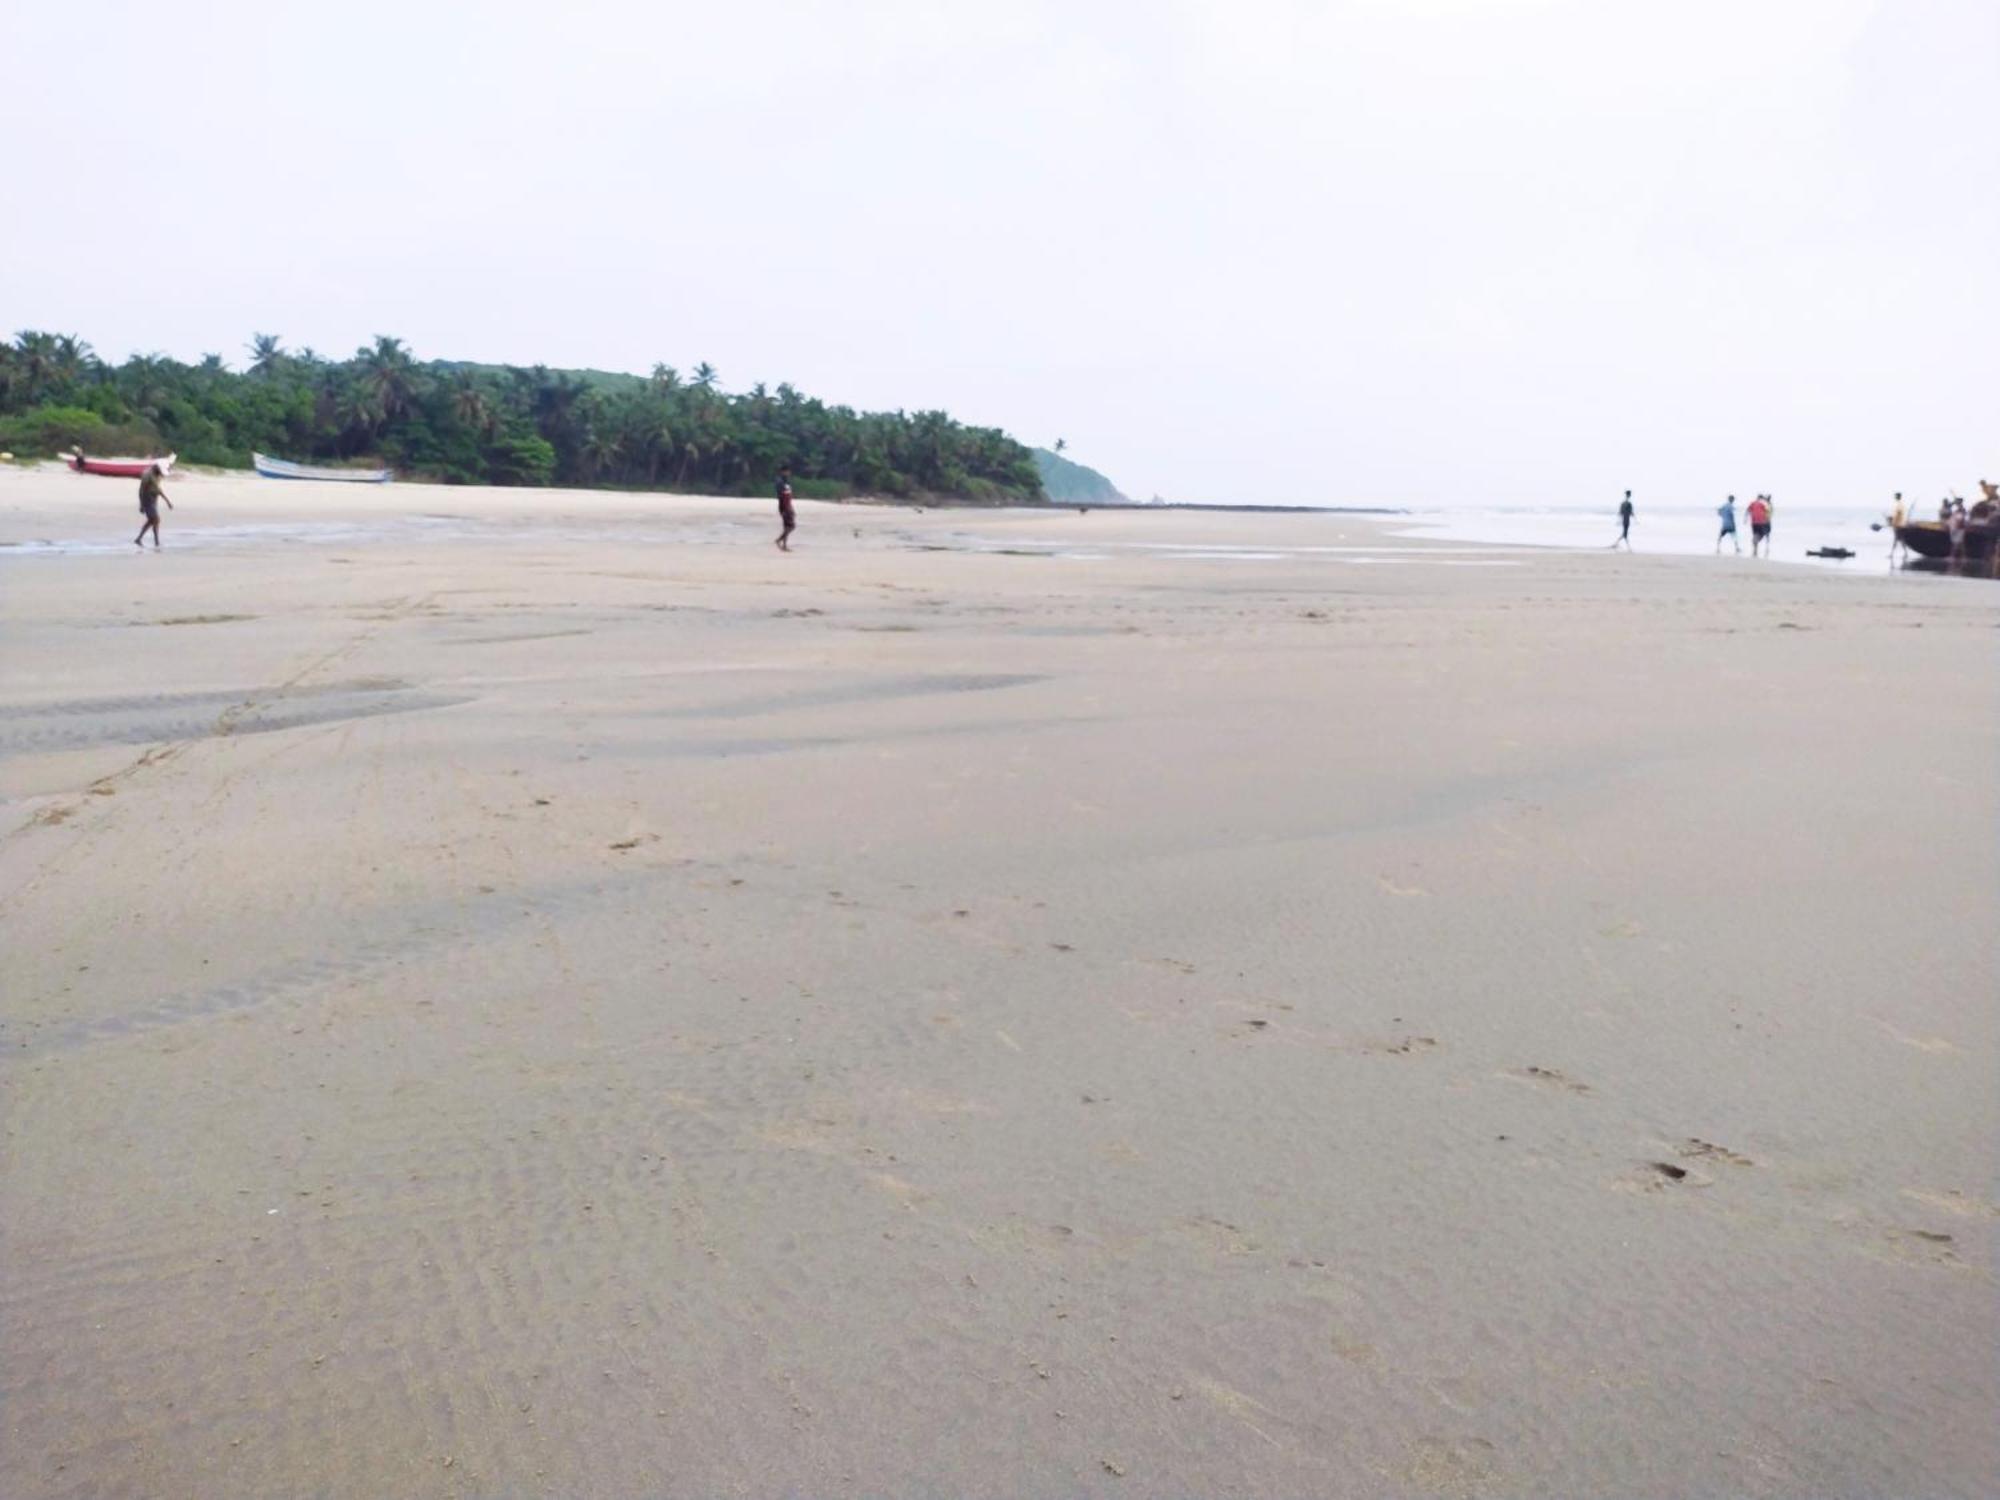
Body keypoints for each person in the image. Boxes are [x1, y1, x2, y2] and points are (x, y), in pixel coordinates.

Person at [134, 463, 172, 548]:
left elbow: (158, 489)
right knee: (156, 519)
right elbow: (141, 490)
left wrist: (167, 501)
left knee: (153, 520)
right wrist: (141, 504)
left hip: (154, 499)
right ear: (157, 468)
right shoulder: (147, 475)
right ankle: (154, 541)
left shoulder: (158, 474)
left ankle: (143, 539)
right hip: (147, 498)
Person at [774, 464, 796, 551]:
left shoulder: (787, 482)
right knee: (791, 526)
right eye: (787, 471)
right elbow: (781, 496)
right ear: (783, 472)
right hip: (784, 507)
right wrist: (785, 508)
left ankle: (783, 544)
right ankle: (780, 541)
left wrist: (791, 507)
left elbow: (789, 496)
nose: (788, 473)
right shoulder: (780, 482)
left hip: (788, 506)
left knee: (788, 526)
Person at [1887, 492, 1908, 565]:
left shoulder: (1898, 505)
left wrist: (1893, 523)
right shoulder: (1901, 505)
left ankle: (1892, 554)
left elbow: (1896, 515)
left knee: (1896, 539)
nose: (1894, 497)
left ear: (1897, 497)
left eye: (1895, 496)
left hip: (1898, 525)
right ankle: (1905, 553)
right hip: (1900, 525)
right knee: (1901, 539)